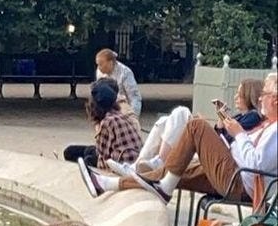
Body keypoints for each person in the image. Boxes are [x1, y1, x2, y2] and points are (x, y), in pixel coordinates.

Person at [78, 72, 278, 206]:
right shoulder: (269, 124)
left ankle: (162, 184)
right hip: (236, 176)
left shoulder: (275, 130)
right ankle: (106, 184)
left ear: (276, 100)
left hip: (239, 183)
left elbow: (256, 164)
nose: (260, 98)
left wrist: (239, 135)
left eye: (265, 94)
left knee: (196, 126)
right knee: (166, 174)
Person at [109, 78, 265, 177]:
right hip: (215, 151)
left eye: (240, 94)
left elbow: (230, 140)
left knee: (182, 112)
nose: (236, 97)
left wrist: (204, 128)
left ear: (249, 95)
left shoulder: (253, 116)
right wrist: (219, 122)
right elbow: (223, 135)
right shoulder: (241, 116)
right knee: (164, 121)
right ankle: (136, 167)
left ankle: (158, 161)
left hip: (219, 158)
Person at [63, 78, 142, 170]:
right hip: (131, 156)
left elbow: (103, 155)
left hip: (121, 162)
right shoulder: (119, 113)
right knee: (80, 151)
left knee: (86, 160)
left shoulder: (107, 122)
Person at [95, 48, 142, 119]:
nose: (98, 67)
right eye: (97, 64)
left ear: (110, 63)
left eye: (101, 64)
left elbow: (134, 97)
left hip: (124, 109)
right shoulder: (99, 71)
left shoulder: (125, 73)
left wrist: (133, 116)